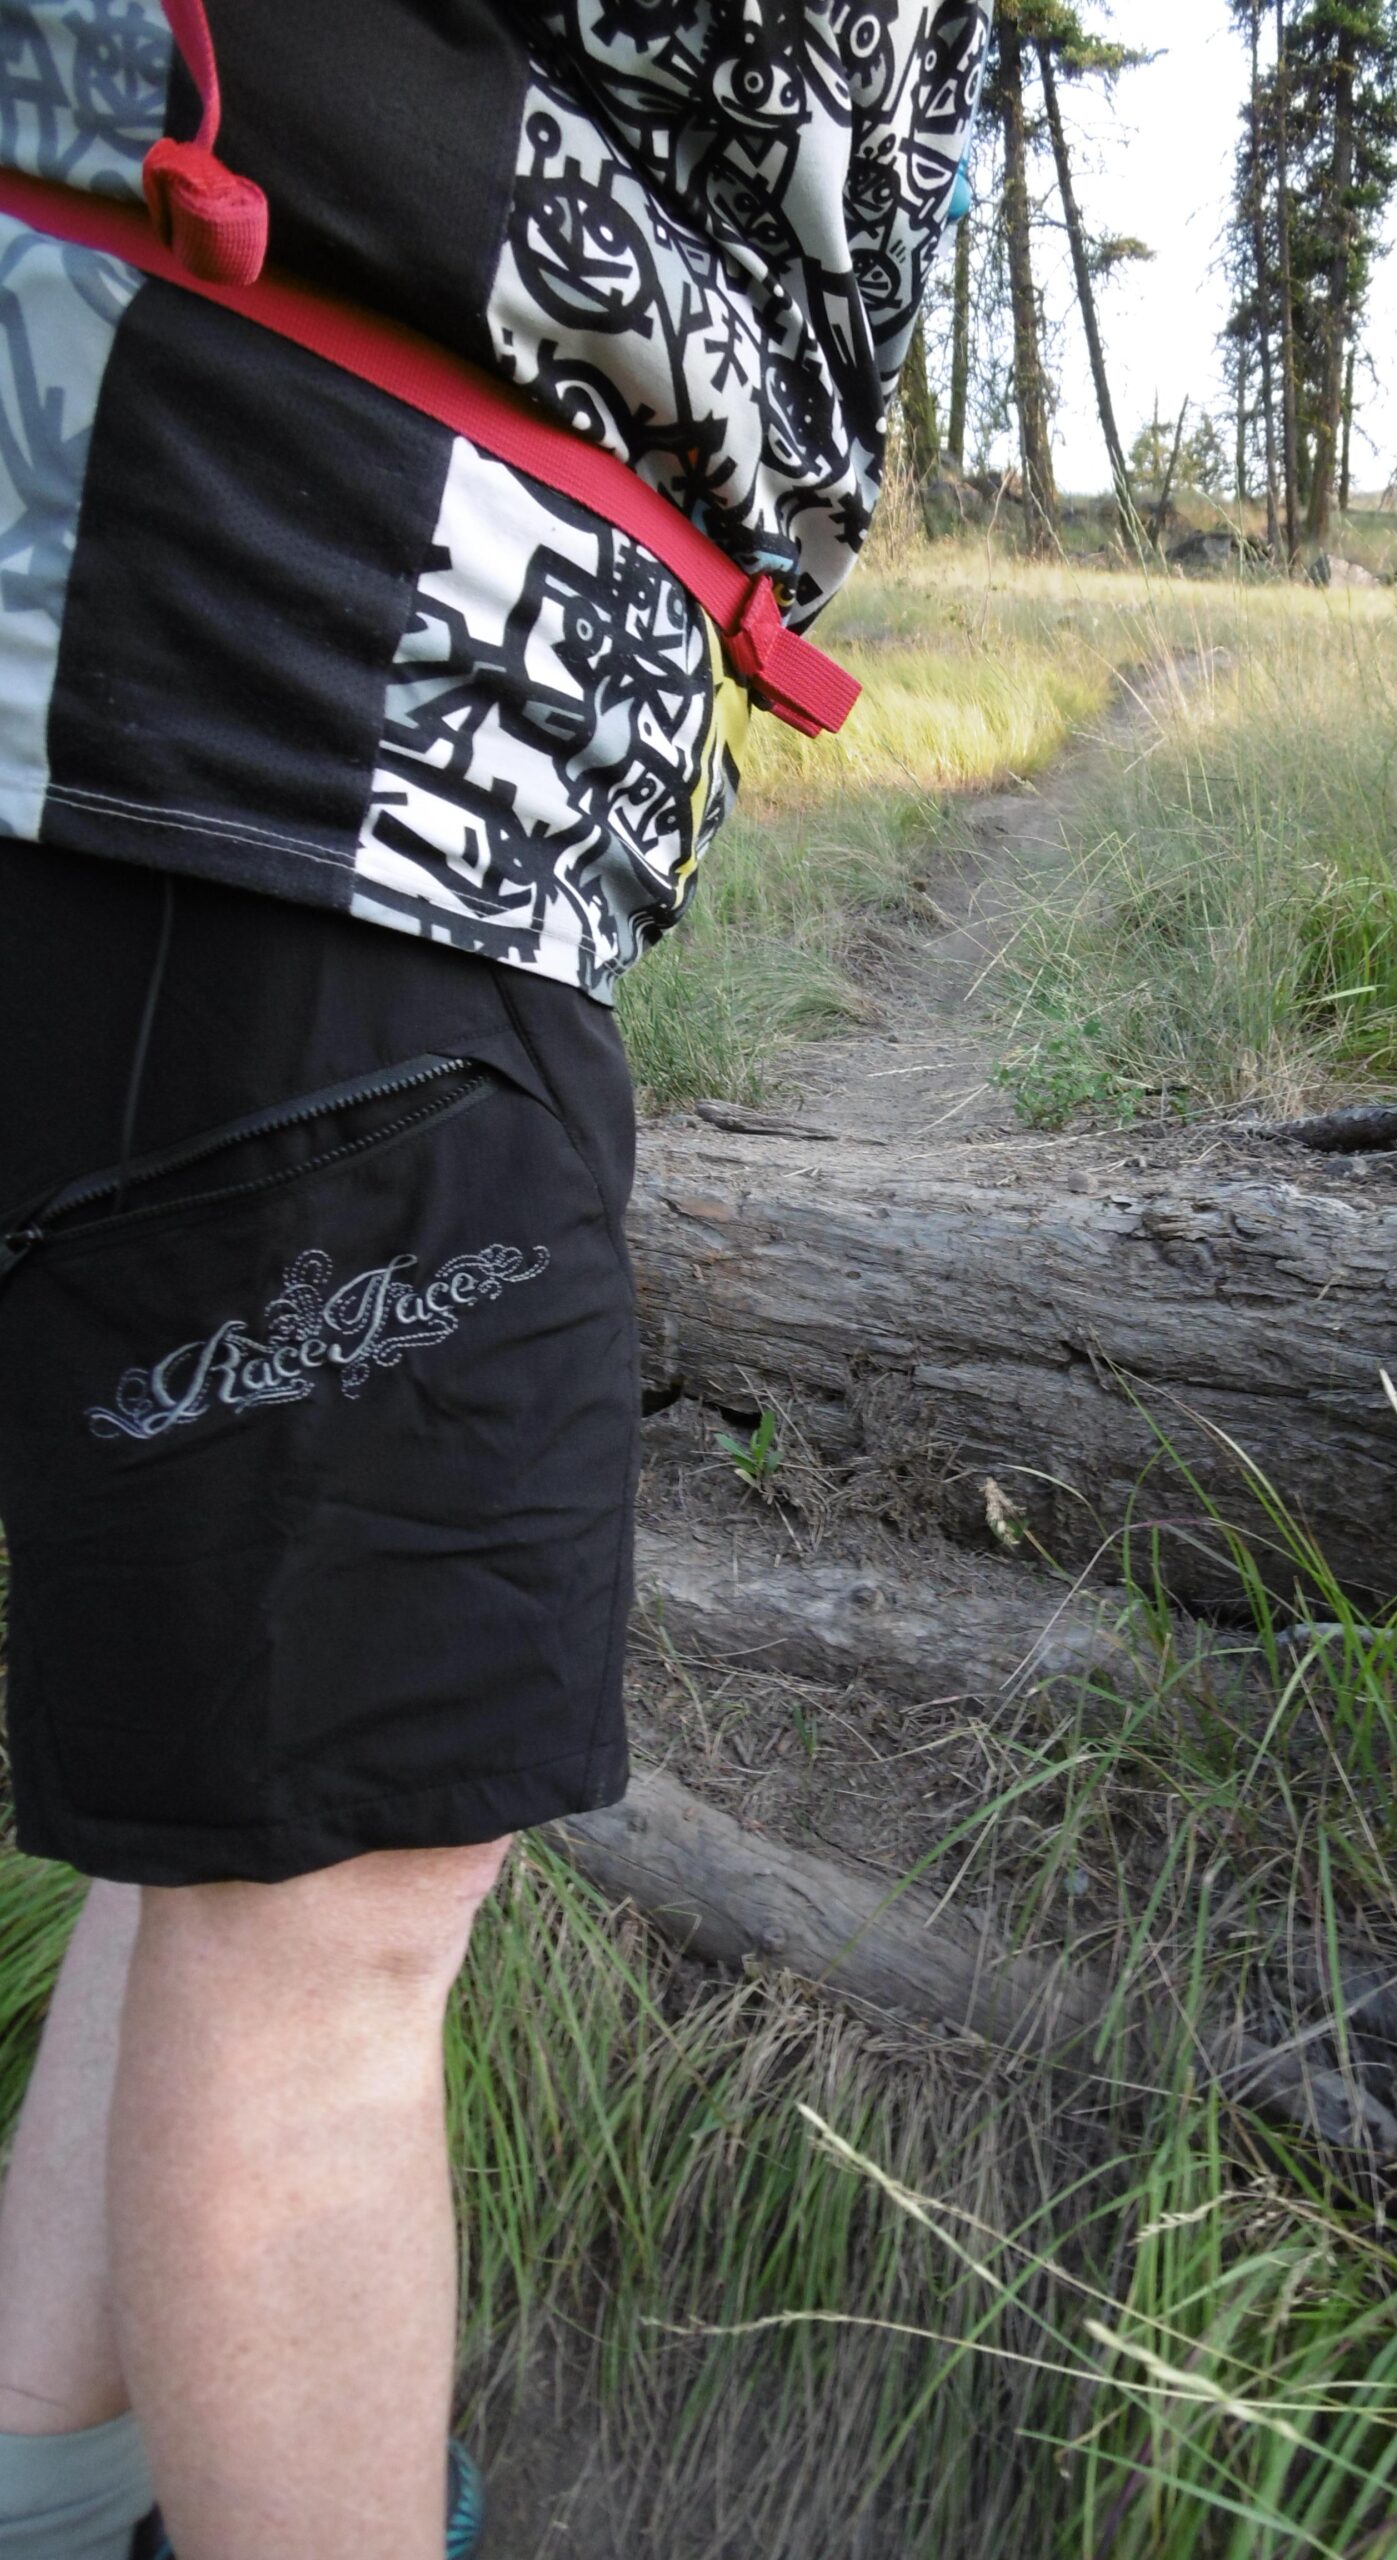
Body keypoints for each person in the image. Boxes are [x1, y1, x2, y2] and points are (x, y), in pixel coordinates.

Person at [0, 5, 985, 2553]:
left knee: (244, 1817)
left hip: (225, 631)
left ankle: (51, 2480)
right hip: (314, 667)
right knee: (340, 1895)